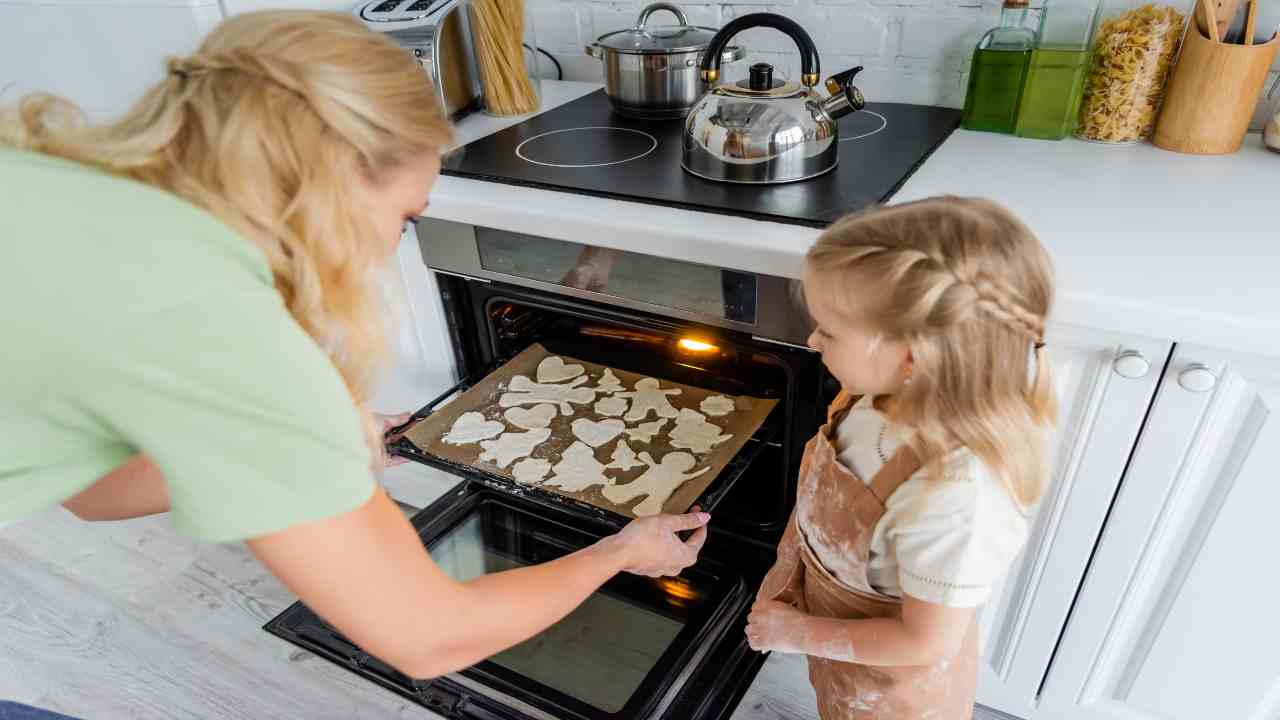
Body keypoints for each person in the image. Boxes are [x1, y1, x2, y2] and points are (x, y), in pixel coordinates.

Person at [0, 9, 709, 704]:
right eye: (405, 217)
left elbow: (85, 487)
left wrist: (324, 446)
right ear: (334, 177)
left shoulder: (57, 178)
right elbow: (430, 638)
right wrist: (620, 551)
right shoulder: (229, 333)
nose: (389, 246)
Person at [744, 197, 1057, 719]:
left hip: (890, 690)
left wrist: (801, 633)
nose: (812, 339)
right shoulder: (875, 391)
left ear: (914, 355)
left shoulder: (955, 496)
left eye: (830, 330)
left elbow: (924, 643)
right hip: (836, 638)